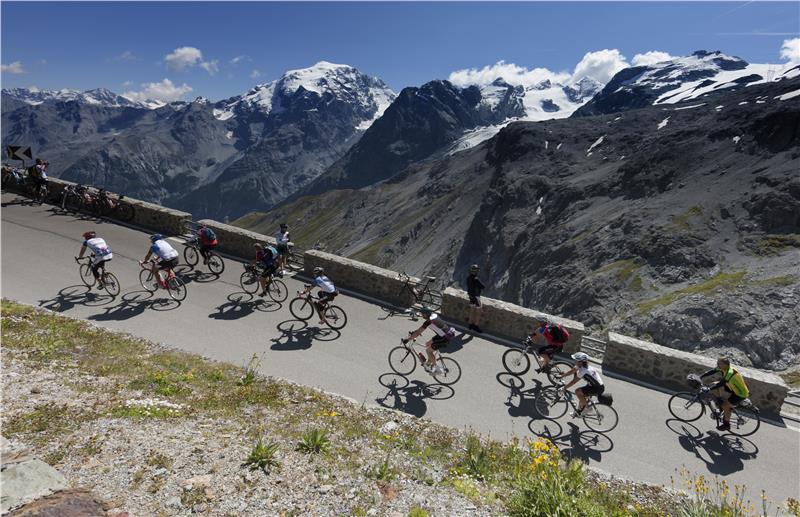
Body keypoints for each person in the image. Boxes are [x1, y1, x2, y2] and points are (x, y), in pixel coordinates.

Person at [700, 357, 750, 431]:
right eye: (717, 363)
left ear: (725, 364)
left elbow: (721, 383)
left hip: (740, 393)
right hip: (732, 387)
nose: (718, 365)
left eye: (719, 363)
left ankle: (726, 425)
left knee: (725, 406)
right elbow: (712, 371)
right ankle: (720, 404)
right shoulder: (723, 368)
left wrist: (709, 389)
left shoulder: (730, 372)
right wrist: (701, 376)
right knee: (713, 384)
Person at [403, 306, 455, 375]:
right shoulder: (434, 315)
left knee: (428, 351)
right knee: (427, 344)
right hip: (444, 334)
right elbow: (419, 331)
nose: (421, 315)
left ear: (426, 314)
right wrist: (416, 332)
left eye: (422, 314)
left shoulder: (429, 321)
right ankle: (428, 363)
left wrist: (408, 339)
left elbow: (418, 332)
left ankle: (438, 369)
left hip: (444, 338)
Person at [558, 352, 604, 417]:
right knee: (582, 398)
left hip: (597, 388)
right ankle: (578, 413)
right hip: (594, 385)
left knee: (577, 391)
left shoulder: (583, 371)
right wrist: (563, 375)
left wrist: (564, 388)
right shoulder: (582, 365)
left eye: (576, 360)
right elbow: (572, 371)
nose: (574, 361)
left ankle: (588, 408)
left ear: (580, 362)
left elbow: (573, 382)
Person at [466, 264, 485, 333]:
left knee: (472, 310)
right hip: (476, 297)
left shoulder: (468, 278)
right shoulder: (476, 279)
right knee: (479, 312)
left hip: (471, 296)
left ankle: (470, 324)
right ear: (476, 271)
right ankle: (476, 326)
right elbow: (483, 287)